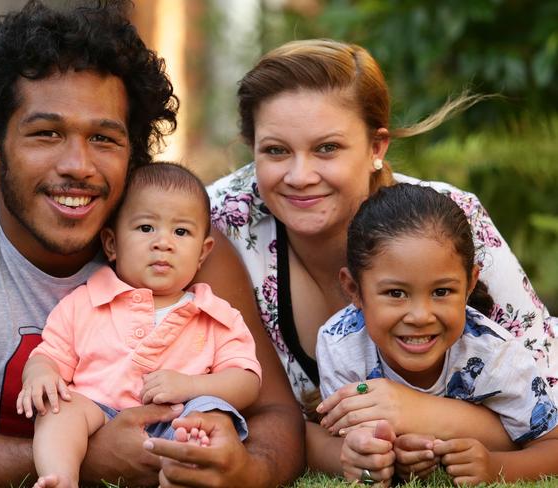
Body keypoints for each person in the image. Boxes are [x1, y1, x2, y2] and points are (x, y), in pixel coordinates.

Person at [0, 2, 304, 486]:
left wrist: (246, 468)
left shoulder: (172, 239)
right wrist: (85, 461)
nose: (78, 164)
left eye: (103, 138)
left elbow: (276, 413)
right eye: (47, 133)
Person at [207, 38, 557, 481]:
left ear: (377, 147)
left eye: (327, 148)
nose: (299, 176)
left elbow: (547, 395)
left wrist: (418, 411)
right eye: (275, 151)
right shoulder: (218, 224)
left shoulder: (447, 223)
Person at [17, 163, 262, 488]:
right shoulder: (86, 300)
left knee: (211, 415)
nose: (163, 243)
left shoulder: (215, 313)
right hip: (98, 416)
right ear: (112, 244)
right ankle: (60, 478)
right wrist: (40, 373)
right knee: (60, 409)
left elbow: (246, 381)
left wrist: (191, 387)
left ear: (202, 254)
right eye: (146, 228)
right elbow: (50, 354)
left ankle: (183, 475)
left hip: (179, 414)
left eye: (181, 232)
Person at [316, 183, 558, 485]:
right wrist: (378, 459)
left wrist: (495, 465)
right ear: (353, 289)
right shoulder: (341, 346)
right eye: (396, 293)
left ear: (470, 284)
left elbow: (551, 446)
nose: (420, 316)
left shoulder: (495, 358)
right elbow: (354, 447)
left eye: (441, 291)